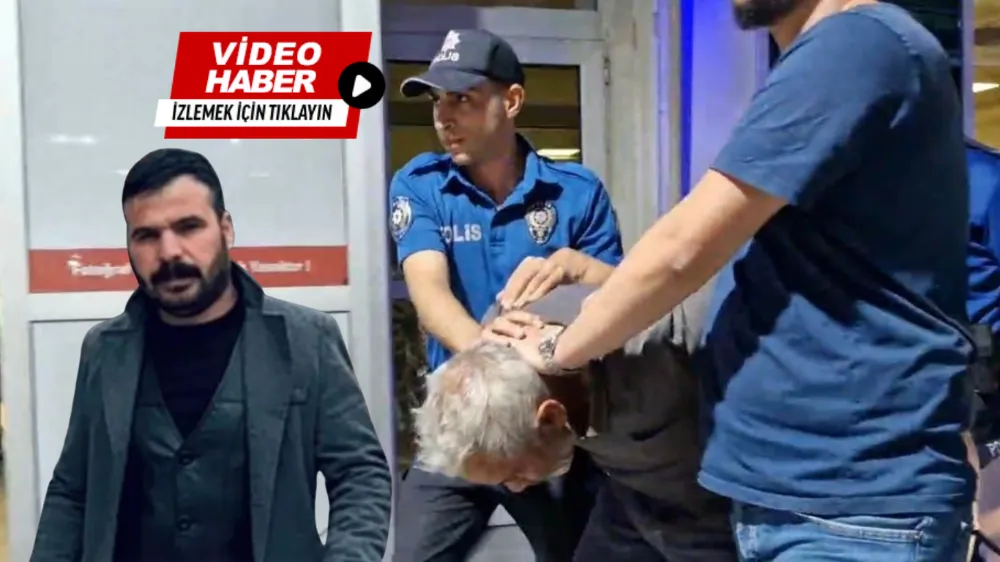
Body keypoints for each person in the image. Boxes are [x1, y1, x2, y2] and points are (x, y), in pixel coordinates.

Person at [494, 1, 976, 560]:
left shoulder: (854, 44)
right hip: (799, 494)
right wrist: (605, 281)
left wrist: (557, 352)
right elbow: (782, 270)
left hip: (849, 502)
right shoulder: (831, 56)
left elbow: (684, 249)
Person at [30, 148, 392, 562]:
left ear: (226, 229)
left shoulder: (305, 340)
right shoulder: (105, 350)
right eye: (147, 235)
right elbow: (72, 490)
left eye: (188, 227)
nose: (169, 252)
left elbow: (359, 475)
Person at [389, 28, 623, 562]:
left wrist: (581, 272)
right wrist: (490, 353)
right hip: (461, 420)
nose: (444, 117)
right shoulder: (420, 185)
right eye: (437, 101)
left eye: (462, 99)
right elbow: (429, 295)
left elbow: (618, 300)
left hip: (545, 426)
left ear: (512, 101)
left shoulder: (576, 192)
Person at [413, 255, 737, 561]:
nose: (515, 488)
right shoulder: (504, 332)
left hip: (715, 511)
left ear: (551, 417)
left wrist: (601, 275)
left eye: (515, 474)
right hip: (629, 500)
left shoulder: (652, 349)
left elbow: (689, 292)